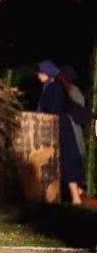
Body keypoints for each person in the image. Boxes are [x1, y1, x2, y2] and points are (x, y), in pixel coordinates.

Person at [37, 60, 84, 204]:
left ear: (45, 73)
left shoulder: (53, 88)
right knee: (65, 160)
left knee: (66, 160)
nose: (38, 75)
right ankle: (76, 193)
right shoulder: (54, 87)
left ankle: (76, 197)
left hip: (59, 126)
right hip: (59, 124)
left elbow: (54, 109)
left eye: (39, 72)